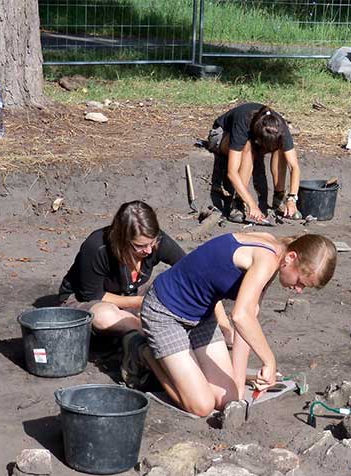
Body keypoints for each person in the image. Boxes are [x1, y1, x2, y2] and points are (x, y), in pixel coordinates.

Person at [124, 232, 336, 417]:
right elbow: (240, 316)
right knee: (202, 406)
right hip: (165, 311)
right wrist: (269, 361)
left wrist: (237, 383)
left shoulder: (277, 257)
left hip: (201, 317)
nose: (298, 289)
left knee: (227, 398)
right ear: (291, 257)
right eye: (300, 282)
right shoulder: (267, 258)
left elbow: (249, 317)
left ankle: (182, 363)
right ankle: (145, 353)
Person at [58, 200, 184, 337]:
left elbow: (187, 267)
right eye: (139, 246)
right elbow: (92, 295)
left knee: (176, 289)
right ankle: (146, 332)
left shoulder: (157, 242)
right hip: (88, 300)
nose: (148, 250)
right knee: (104, 317)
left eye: (151, 243)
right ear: (122, 239)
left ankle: (151, 326)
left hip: (133, 292)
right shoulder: (97, 247)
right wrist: (140, 303)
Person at [206, 103, 302, 224]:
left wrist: (292, 199)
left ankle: (279, 198)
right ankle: (238, 202)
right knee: (247, 146)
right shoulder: (243, 123)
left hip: (255, 139)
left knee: (281, 148)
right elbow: (232, 172)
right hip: (220, 135)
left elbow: (294, 166)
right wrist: (252, 204)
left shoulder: (279, 127)